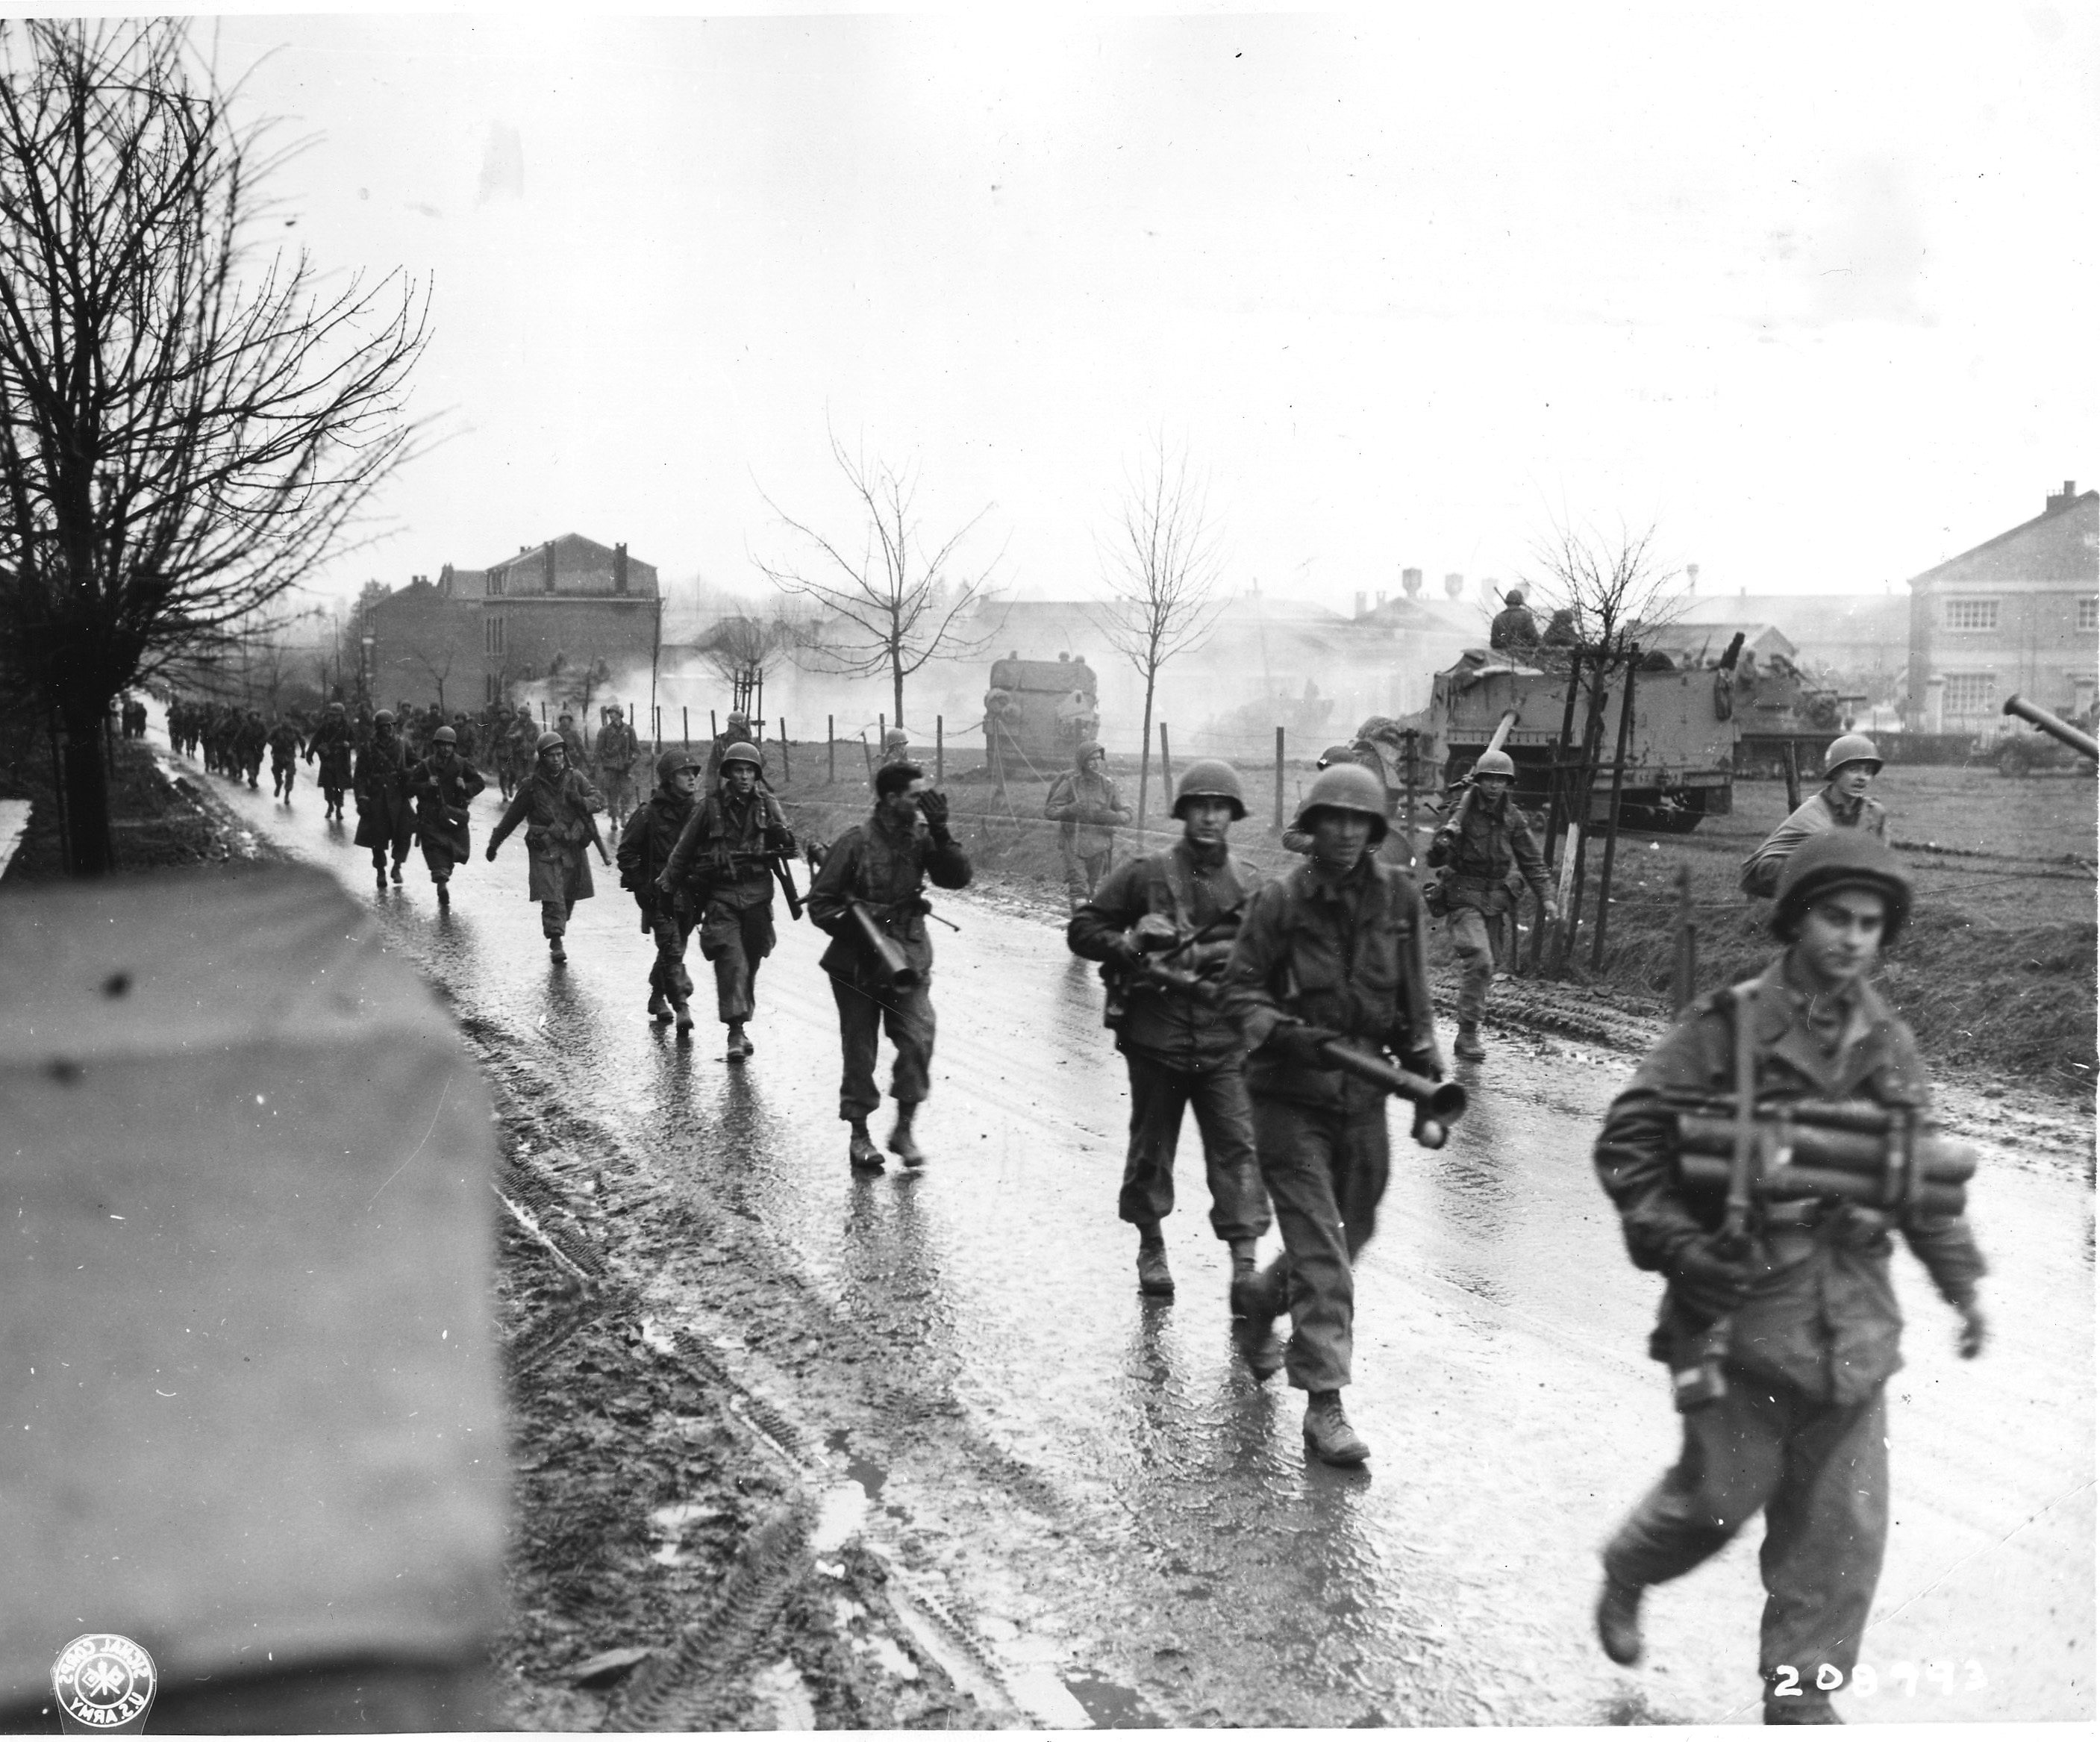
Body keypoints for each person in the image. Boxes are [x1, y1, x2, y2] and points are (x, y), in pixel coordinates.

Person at [1590, 831, 1987, 1724]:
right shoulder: (1725, 1028)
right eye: (1836, 918)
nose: (1853, 939)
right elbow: (1629, 1142)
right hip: (1741, 1312)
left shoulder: (1888, 1043)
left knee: (1842, 1531)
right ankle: (1629, 1566)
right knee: (1715, 1503)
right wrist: (1678, 1245)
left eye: (1871, 925)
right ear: (1797, 920)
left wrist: (1963, 1287)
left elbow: (1917, 1178)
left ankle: (1801, 1702)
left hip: (1854, 1322)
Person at [1220, 763, 1443, 1464]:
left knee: (1355, 1233)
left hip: (1363, 1096)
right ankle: (1324, 1405)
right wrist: (1285, 1033)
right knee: (1324, 1256)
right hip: (1288, 1098)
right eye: (1333, 820)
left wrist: (1427, 1080)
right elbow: (1238, 992)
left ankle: (1262, 1299)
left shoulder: (1399, 899)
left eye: (1359, 821)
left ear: (1374, 830)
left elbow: (1415, 1001)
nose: (1346, 833)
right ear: (1312, 828)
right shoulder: (1280, 901)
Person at [1066, 761, 1269, 1303]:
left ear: (1233, 815)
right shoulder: (1146, 873)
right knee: (1152, 1147)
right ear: (1183, 813)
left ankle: (1245, 1266)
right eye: (1200, 807)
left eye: (1220, 808)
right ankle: (1151, 1245)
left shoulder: (1249, 882)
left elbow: (1277, 954)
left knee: (1237, 1149)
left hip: (1224, 1041)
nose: (1210, 818)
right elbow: (1083, 928)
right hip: (1156, 1037)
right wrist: (1131, 944)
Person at [807, 763, 972, 1171]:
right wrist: (864, 930)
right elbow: (821, 905)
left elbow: (957, 878)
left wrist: (942, 831)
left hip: (909, 959)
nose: (922, 803)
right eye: (915, 796)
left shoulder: (921, 838)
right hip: (858, 964)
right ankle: (859, 1134)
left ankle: (903, 1130)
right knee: (860, 1050)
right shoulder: (855, 843)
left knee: (919, 1038)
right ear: (891, 798)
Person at [657, 740, 797, 1058]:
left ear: (756, 775)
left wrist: (782, 836)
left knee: (751, 961)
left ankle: (741, 1022)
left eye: (750, 771)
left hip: (758, 898)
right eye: (738, 770)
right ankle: (735, 1030)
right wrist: (666, 887)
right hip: (722, 897)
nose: (745, 777)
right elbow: (683, 851)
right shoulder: (710, 808)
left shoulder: (768, 804)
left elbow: (790, 847)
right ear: (728, 773)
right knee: (731, 961)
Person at [1425, 747, 1557, 1062]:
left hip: (1495, 902)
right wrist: (1442, 845)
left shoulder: (1513, 818)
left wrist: (1548, 898)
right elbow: (1435, 859)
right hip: (1463, 897)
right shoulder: (1459, 812)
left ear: (1508, 783)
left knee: (1488, 966)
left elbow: (1532, 861)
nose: (1495, 785)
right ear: (1479, 780)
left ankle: (1468, 1030)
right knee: (1481, 960)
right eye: (1489, 779)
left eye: (1501, 780)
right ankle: (1468, 1032)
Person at [486, 732, 608, 963]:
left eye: (559, 754)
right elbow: (512, 817)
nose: (556, 759)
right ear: (542, 758)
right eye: (551, 755)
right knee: (552, 896)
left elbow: (600, 800)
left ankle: (558, 925)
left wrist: (582, 802)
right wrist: (495, 842)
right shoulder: (531, 786)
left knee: (568, 895)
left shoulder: (576, 779)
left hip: (571, 845)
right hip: (544, 846)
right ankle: (556, 941)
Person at [1738, 734, 1888, 899]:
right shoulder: (1815, 811)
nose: (1862, 778)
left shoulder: (1873, 812)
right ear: (1835, 773)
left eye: (1868, 771)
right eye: (1853, 770)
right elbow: (1761, 869)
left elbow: (1881, 859)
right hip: (1772, 872)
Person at [619, 748, 705, 1031]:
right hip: (660, 895)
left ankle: (657, 997)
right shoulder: (649, 814)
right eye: (684, 773)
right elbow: (626, 852)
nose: (691, 778)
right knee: (673, 949)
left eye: (693, 773)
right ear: (669, 779)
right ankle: (682, 1006)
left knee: (673, 948)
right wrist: (642, 887)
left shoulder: (699, 813)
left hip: (691, 896)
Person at [1043, 740, 1131, 908]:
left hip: (1100, 846)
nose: (1096, 763)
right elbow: (1050, 811)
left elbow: (1127, 813)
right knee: (1079, 890)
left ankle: (1084, 920)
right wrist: (1069, 809)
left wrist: (1112, 816)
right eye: (1092, 759)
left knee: (1090, 890)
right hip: (1074, 844)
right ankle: (1081, 921)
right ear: (1083, 761)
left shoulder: (1109, 786)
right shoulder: (1071, 784)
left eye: (1099, 758)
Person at [408, 725, 485, 909]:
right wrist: (426, 785)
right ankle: (442, 884)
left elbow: (479, 783)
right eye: (442, 745)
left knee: (453, 852)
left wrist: (465, 786)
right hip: (431, 818)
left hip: (454, 817)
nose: (446, 748)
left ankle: (443, 877)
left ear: (454, 747)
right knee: (435, 852)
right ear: (436, 746)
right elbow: (410, 786)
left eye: (450, 745)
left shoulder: (462, 764)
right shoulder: (426, 765)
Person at [353, 710, 416, 890]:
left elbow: (417, 763)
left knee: (405, 831)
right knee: (377, 837)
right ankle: (380, 870)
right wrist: (362, 798)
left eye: (391, 726)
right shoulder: (368, 747)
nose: (388, 729)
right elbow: (359, 776)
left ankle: (397, 867)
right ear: (377, 728)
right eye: (384, 726)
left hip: (398, 795)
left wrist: (410, 772)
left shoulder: (403, 745)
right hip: (377, 796)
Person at [306, 701, 356, 820]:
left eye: (336, 715)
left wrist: (349, 744)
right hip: (328, 760)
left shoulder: (347, 728)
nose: (334, 718)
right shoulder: (325, 727)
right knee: (327, 785)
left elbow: (355, 741)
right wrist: (309, 753)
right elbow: (316, 740)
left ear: (342, 716)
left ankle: (338, 809)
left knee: (340, 787)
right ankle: (330, 806)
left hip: (342, 761)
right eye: (332, 715)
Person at [595, 704, 640, 830]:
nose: (611, 715)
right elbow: (599, 749)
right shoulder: (604, 731)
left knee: (627, 793)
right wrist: (604, 760)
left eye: (613, 713)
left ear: (620, 714)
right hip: (611, 767)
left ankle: (623, 814)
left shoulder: (629, 730)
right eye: (610, 713)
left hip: (625, 767)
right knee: (612, 794)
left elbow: (636, 750)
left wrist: (631, 761)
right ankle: (614, 819)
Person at [704, 708, 756, 781]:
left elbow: (760, 761)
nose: (729, 726)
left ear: (739, 726)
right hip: (725, 777)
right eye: (729, 723)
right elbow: (712, 764)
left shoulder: (748, 743)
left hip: (744, 778)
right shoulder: (721, 741)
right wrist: (710, 782)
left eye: (732, 724)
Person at [1488, 587, 1540, 658]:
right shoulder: (1526, 616)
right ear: (1520, 602)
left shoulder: (1498, 618)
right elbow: (1534, 638)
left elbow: (1494, 643)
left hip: (1502, 658)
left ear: (1507, 602)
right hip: (1522, 657)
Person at [266, 714, 303, 802]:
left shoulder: (295, 730)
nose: (286, 721)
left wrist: (303, 751)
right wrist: (275, 745)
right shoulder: (276, 730)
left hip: (289, 755)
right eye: (284, 719)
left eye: (288, 719)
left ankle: (287, 795)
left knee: (290, 774)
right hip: (278, 755)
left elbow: (301, 740)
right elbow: (268, 739)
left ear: (290, 720)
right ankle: (278, 785)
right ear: (282, 720)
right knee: (276, 771)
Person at [234, 707, 268, 789]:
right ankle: (251, 777)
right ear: (249, 717)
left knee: (257, 764)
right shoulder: (246, 725)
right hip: (249, 748)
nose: (254, 718)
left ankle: (254, 778)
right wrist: (237, 743)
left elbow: (266, 735)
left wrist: (262, 742)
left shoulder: (262, 725)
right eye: (252, 716)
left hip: (259, 748)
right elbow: (239, 735)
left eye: (256, 716)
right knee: (251, 763)